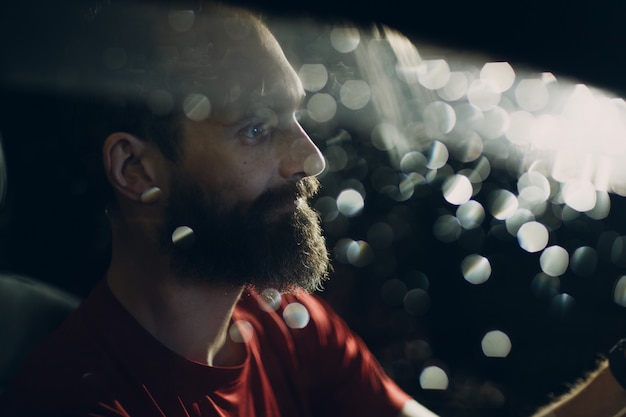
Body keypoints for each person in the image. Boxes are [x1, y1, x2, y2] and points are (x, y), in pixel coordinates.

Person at [0, 1, 438, 416]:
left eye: (295, 117)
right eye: (256, 128)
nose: (310, 159)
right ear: (136, 170)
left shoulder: (289, 324)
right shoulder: (80, 402)